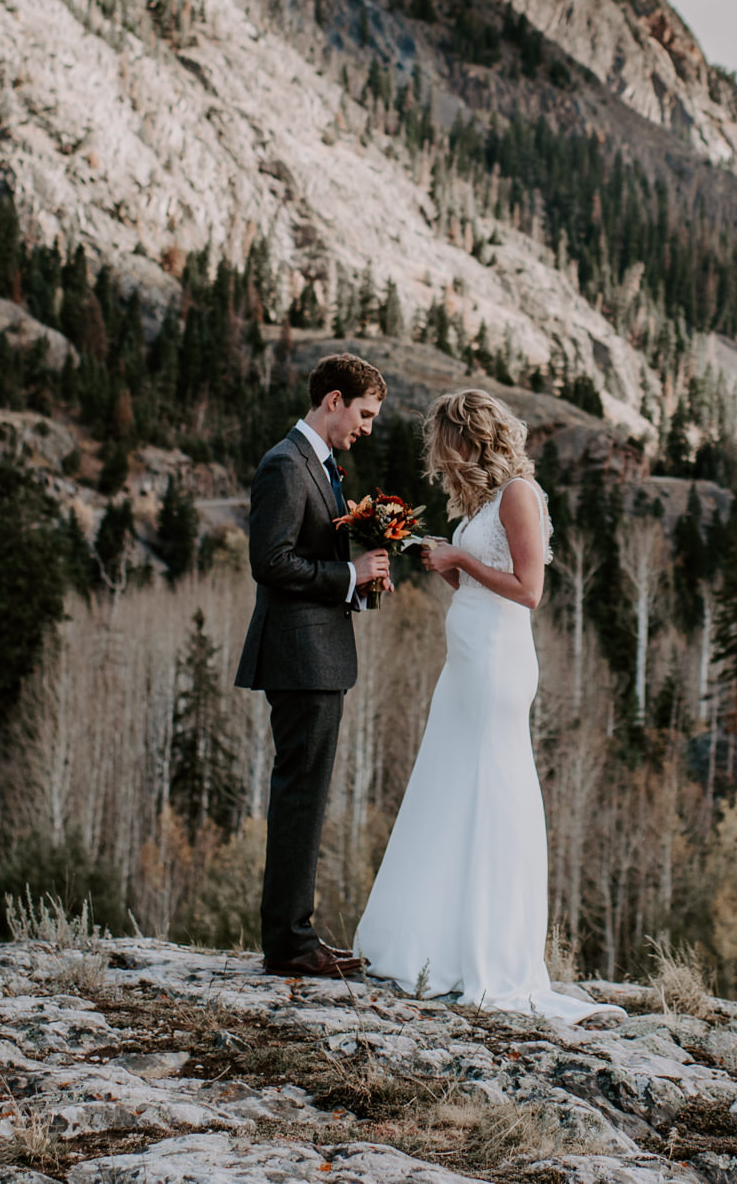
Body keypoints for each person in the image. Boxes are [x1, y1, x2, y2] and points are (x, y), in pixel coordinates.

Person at [351, 389, 622, 1022]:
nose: (441, 461)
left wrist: (462, 556)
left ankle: (486, 951)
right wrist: (444, 563)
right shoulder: (484, 503)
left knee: (490, 788)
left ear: (472, 439)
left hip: (498, 665)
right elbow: (478, 581)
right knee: (450, 788)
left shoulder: (521, 495)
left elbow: (529, 591)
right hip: (467, 663)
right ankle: (437, 943)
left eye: (447, 446)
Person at [234, 352, 389, 978]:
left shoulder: (320, 466)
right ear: (332, 400)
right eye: (364, 414)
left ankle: (295, 937)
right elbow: (269, 562)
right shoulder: (283, 465)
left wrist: (360, 583)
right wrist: (348, 573)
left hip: (317, 655)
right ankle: (290, 945)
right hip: (300, 657)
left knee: (306, 795)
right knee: (300, 795)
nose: (368, 428)